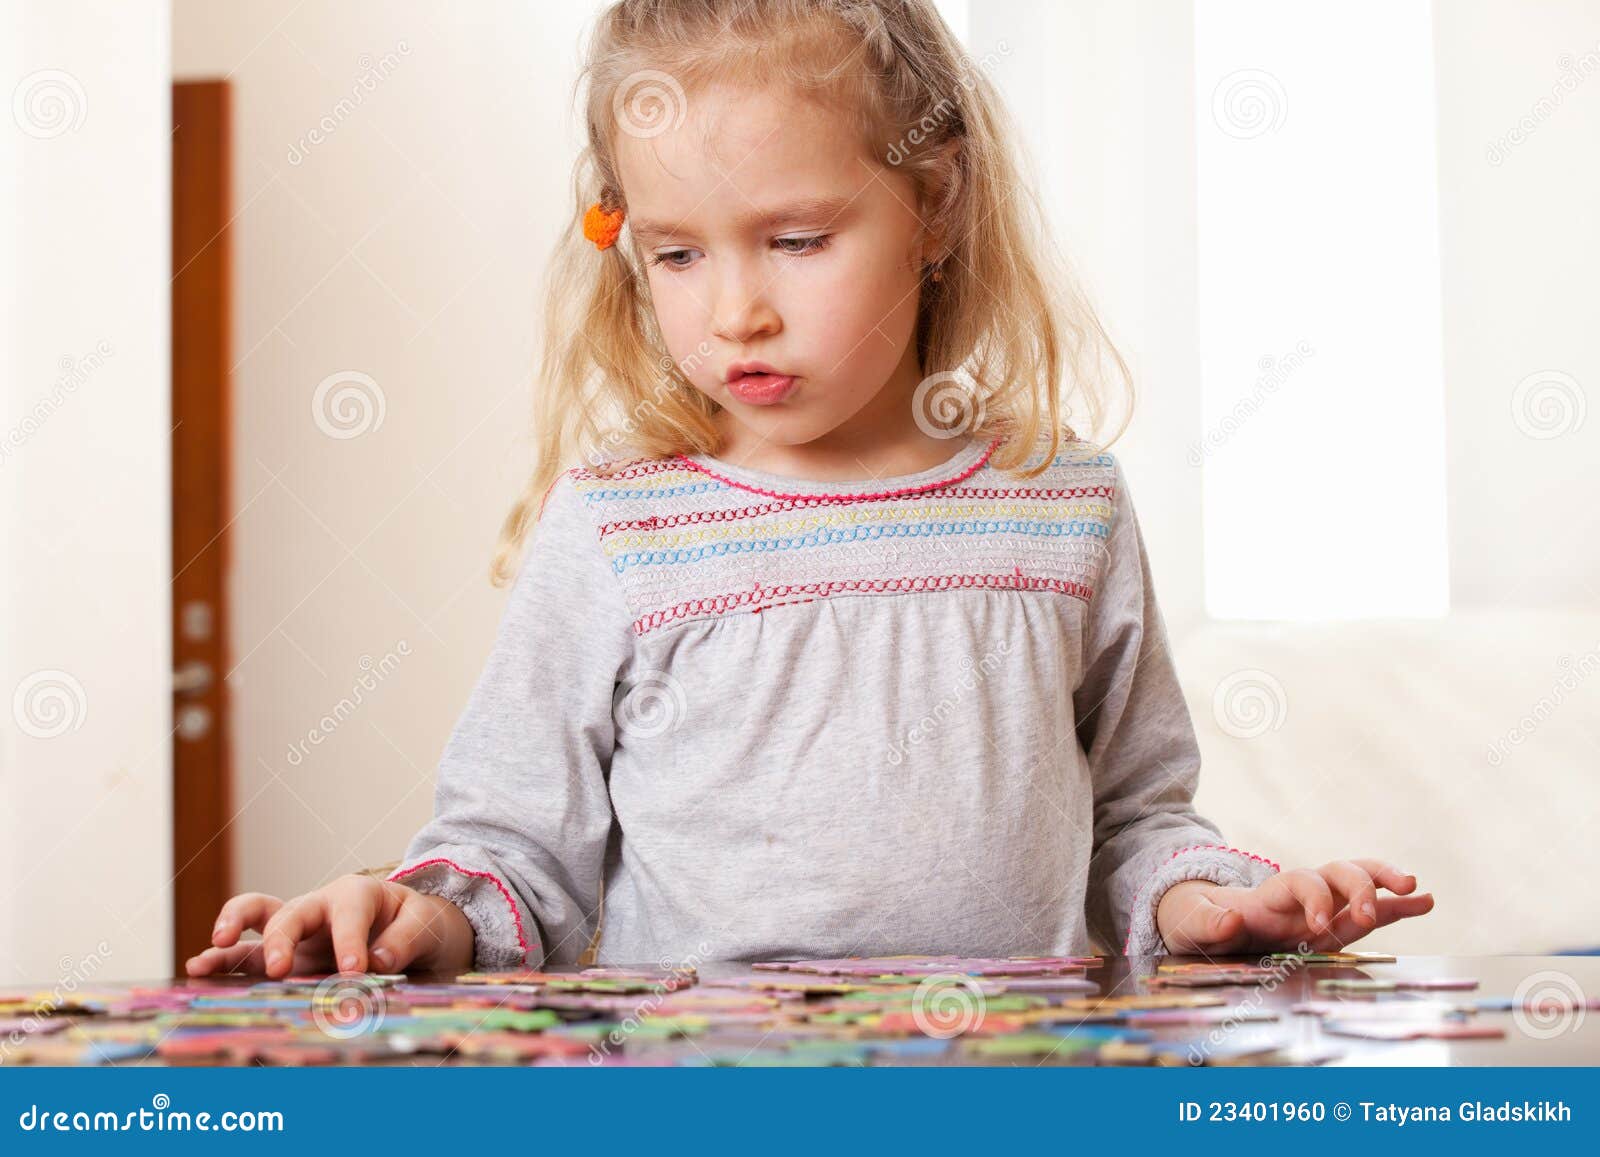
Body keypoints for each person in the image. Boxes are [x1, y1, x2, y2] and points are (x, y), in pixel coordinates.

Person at [187, 0, 1432, 980]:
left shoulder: (1066, 504)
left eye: (795, 240)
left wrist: (1209, 900)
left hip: (1014, 1091)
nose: (737, 311)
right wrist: (408, 917)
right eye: (677, 253)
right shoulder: (620, 523)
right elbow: (516, 855)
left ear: (934, 203)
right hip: (702, 1099)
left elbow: (1136, 818)